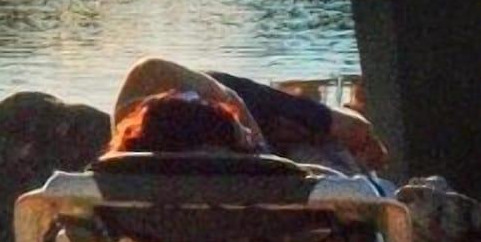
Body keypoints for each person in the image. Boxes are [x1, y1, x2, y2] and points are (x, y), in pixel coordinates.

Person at [108, 58, 388, 172]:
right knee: (347, 135)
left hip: (175, 225)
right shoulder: (279, 177)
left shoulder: (123, 173)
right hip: (270, 193)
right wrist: (262, 148)